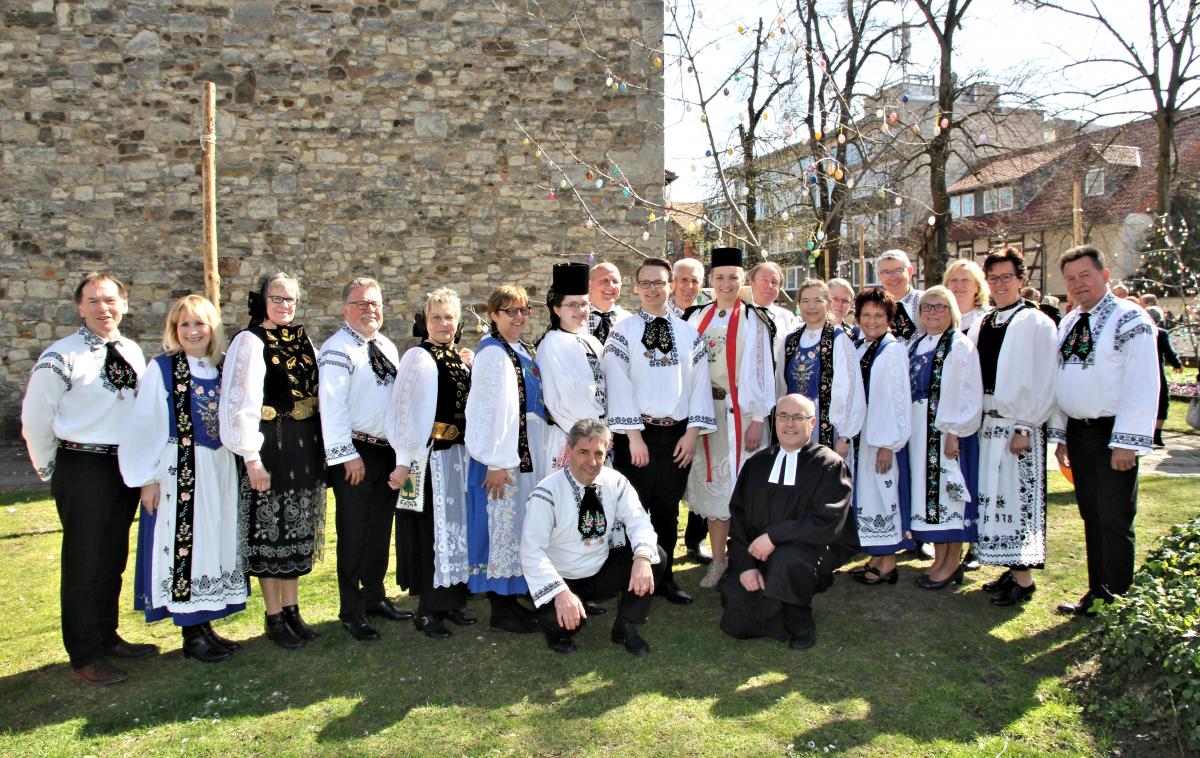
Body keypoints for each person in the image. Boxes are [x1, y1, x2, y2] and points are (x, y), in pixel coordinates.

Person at [21, 272, 156, 685]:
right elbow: (34, 419)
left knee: (112, 558)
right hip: (83, 466)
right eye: (94, 301)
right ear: (80, 308)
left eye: (111, 300)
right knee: (83, 562)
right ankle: (84, 653)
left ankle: (107, 635)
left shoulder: (131, 350)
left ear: (125, 304)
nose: (104, 308)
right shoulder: (61, 357)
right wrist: (52, 470)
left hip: (122, 467)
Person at [119, 294, 246, 663]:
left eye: (200, 324)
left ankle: (206, 623)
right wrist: (147, 478)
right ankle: (191, 632)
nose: (192, 331)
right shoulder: (162, 369)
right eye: (184, 324)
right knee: (186, 546)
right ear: (175, 329)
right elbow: (145, 425)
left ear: (212, 329)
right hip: (181, 470)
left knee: (213, 542)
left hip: (219, 467)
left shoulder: (220, 368)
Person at [1049, 246, 1159, 617]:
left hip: (1113, 433)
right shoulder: (1070, 322)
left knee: (1114, 518)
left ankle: (1118, 600)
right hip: (1080, 432)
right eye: (1070, 279)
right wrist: (1062, 433)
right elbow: (1062, 378)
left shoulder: (1131, 319)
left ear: (1105, 275)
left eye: (1085, 275)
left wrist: (1127, 441)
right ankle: (1098, 593)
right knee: (1091, 514)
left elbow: (1143, 382)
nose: (1077, 284)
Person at [220, 273, 326, 649]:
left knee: (295, 530)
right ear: (262, 300)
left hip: (303, 444)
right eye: (277, 298)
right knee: (270, 532)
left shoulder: (302, 339)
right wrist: (251, 458)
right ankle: (274, 615)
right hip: (270, 446)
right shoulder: (250, 341)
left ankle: (293, 609)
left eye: (291, 299)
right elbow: (239, 403)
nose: (285, 305)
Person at [603, 257, 716, 606]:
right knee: (633, 509)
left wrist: (693, 433)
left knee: (667, 510)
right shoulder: (623, 332)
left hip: (678, 436)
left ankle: (665, 579)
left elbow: (699, 384)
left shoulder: (688, 332)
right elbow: (617, 383)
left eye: (660, 282)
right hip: (637, 435)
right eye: (646, 283)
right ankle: (632, 578)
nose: (653, 289)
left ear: (671, 286)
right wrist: (634, 436)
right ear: (637, 288)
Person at [718, 394, 853, 650]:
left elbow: (827, 520)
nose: (789, 424)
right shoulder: (757, 464)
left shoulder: (830, 466)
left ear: (811, 425)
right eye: (783, 416)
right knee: (737, 617)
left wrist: (773, 537)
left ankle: (800, 621)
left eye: (798, 418)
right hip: (757, 553)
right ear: (775, 420)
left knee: (787, 561)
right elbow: (739, 518)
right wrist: (746, 565)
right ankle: (776, 607)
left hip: (808, 552)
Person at [521, 418, 667, 655]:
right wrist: (561, 593)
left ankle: (625, 626)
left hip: (600, 570)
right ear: (568, 451)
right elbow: (531, 551)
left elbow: (639, 521)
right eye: (583, 452)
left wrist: (641, 558)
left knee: (654, 556)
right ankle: (555, 624)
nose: (592, 462)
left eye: (599, 454)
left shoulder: (615, 481)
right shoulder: (547, 492)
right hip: (563, 578)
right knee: (562, 625)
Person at [317, 278, 411, 642]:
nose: (370, 309)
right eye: (361, 304)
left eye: (375, 303)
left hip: (386, 451)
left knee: (378, 530)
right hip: (356, 452)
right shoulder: (337, 349)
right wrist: (345, 455)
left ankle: (374, 597)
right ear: (345, 310)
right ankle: (351, 609)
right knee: (354, 532)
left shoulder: (386, 346)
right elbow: (332, 405)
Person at [968, 249, 1058, 607]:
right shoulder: (986, 321)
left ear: (1022, 280)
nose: (1000, 284)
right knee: (992, 496)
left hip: (1019, 424)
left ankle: (1024, 578)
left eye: (1007, 277)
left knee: (1016, 499)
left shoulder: (1035, 322)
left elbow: (1043, 378)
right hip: (988, 420)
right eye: (994, 278)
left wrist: (1025, 425)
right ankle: (1009, 565)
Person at [388, 288, 475, 639]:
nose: (443, 323)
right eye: (436, 317)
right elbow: (405, 411)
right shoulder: (419, 358)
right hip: (429, 458)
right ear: (424, 321)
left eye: (449, 317)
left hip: (456, 455)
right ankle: (427, 610)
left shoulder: (454, 356)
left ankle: (450, 601)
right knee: (431, 533)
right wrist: (404, 459)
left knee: (454, 530)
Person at [688, 248, 776, 590]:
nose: (726, 283)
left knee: (745, 489)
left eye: (733, 278)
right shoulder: (696, 318)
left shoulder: (755, 319)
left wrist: (758, 418)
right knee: (714, 489)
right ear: (711, 280)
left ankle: (748, 558)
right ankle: (719, 560)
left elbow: (761, 371)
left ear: (743, 281)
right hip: (708, 414)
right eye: (720, 277)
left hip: (743, 416)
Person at [464, 285, 546, 634]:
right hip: (499, 458)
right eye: (510, 311)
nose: (519, 317)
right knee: (500, 530)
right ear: (493, 315)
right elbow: (488, 410)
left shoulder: (519, 349)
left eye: (524, 310)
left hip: (520, 453)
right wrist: (495, 461)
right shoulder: (493, 354)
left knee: (517, 528)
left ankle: (514, 597)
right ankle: (502, 609)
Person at [906, 286, 983, 590]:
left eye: (939, 307)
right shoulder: (918, 344)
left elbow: (967, 391)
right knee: (931, 499)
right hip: (920, 431)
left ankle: (951, 564)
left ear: (951, 311)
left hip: (946, 432)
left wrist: (955, 432)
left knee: (949, 496)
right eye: (926, 307)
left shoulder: (959, 345)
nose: (932, 313)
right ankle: (940, 560)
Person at [848, 288, 914, 586]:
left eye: (878, 315)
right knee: (869, 494)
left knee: (882, 493)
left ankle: (887, 562)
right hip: (865, 435)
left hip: (880, 438)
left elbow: (894, 401)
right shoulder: (865, 346)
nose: (872, 320)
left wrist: (887, 444)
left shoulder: (891, 350)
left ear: (889, 318)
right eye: (866, 315)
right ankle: (876, 555)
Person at [777, 279, 865, 460]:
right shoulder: (791, 340)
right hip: (793, 423)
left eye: (818, 301)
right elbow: (781, 385)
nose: (811, 307)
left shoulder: (838, 339)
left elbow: (850, 389)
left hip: (827, 424)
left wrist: (845, 436)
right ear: (799, 304)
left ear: (828, 303)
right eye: (805, 301)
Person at [537, 263, 608, 472]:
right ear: (557, 308)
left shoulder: (592, 342)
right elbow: (567, 399)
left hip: (599, 438)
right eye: (572, 305)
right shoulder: (552, 344)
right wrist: (589, 437)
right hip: (573, 439)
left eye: (585, 304)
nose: (580, 311)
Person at [672, 259, 713, 564]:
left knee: (703, 473)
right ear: (673, 282)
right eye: (683, 280)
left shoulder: (708, 315)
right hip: (671, 411)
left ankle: (695, 540)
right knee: (671, 483)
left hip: (702, 407)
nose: (688, 287)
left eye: (694, 281)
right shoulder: (662, 315)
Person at [1147, 306, 1182, 448]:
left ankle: (1150, 433)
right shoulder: (1160, 333)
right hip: (1156, 371)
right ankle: (1157, 433)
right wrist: (1177, 364)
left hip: (1142, 371)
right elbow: (1168, 352)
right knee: (1162, 401)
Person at [748, 261, 797, 357]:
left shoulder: (787, 318)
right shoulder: (740, 314)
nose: (769, 286)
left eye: (774, 282)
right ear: (752, 283)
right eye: (764, 280)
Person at [876, 249, 924, 342]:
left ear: (910, 272)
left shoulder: (926, 301)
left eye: (898, 270)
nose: (893, 277)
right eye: (886, 272)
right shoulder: (873, 306)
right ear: (879, 276)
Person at [588, 262, 632, 345]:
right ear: (589, 285)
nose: (611, 286)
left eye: (615, 281)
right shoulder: (576, 317)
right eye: (604, 280)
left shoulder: (629, 321)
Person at [943, 258, 990, 334]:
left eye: (965, 280)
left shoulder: (989, 318)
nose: (959, 285)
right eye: (954, 280)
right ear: (946, 286)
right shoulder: (938, 317)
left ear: (977, 287)